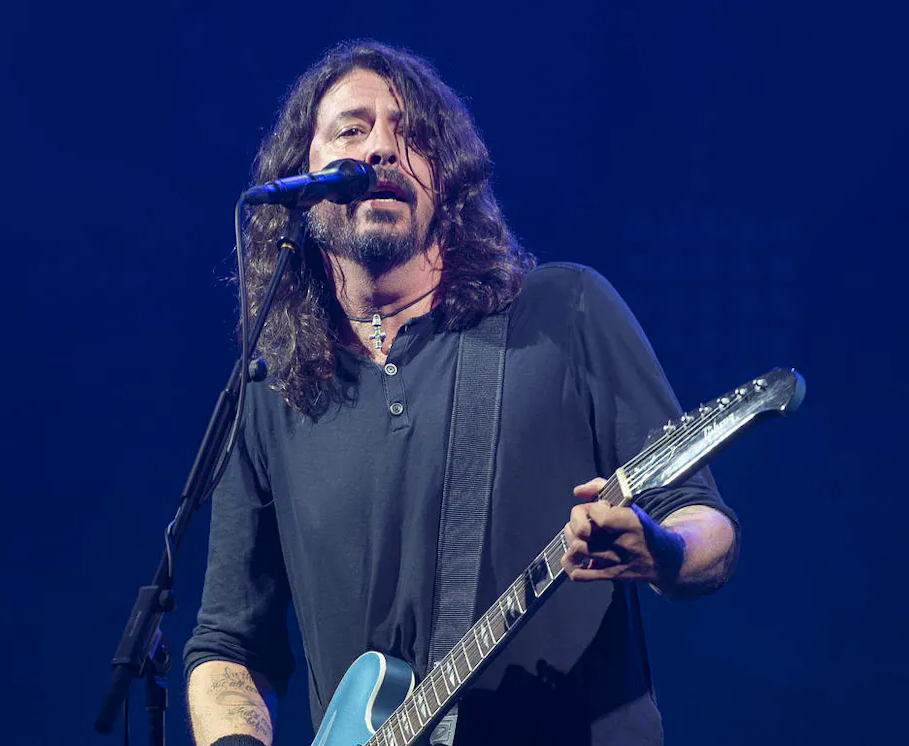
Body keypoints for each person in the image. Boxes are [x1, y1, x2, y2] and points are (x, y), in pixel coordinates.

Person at [183, 40, 738, 746]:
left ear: (448, 180)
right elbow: (230, 643)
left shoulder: (562, 314)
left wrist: (660, 549)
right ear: (301, 181)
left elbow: (705, 524)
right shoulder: (271, 390)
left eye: (412, 133)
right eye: (352, 130)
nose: (383, 148)